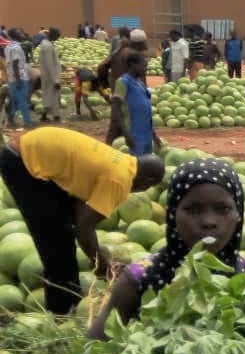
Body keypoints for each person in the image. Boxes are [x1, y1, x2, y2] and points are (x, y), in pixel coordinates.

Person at [0, 128, 164, 314]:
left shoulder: (123, 162)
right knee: (56, 244)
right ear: (146, 182)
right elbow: (84, 228)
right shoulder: (120, 180)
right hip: (22, 162)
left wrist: (98, 256)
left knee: (63, 230)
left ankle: (71, 299)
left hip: (27, 149)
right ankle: (62, 312)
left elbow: (79, 210)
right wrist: (101, 265)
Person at [88, 158, 245, 340]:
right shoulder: (140, 279)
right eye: (194, 209)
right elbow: (95, 348)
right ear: (172, 213)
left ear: (238, 213)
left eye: (222, 209)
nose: (209, 221)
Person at [112, 51, 162, 156]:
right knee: (137, 164)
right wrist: (126, 134)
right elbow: (116, 109)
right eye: (143, 66)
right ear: (132, 65)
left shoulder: (140, 83)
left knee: (146, 163)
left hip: (146, 133)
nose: (145, 69)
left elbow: (146, 113)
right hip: (134, 132)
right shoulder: (123, 82)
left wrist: (154, 135)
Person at [4, 31, 32, 128]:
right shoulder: (16, 48)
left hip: (12, 78)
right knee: (23, 101)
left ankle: (10, 121)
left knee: (15, 101)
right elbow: (15, 64)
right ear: (16, 35)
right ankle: (28, 122)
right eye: (20, 34)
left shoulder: (8, 47)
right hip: (19, 77)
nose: (23, 35)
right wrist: (18, 80)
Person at [38, 27, 62, 123]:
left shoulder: (46, 44)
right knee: (53, 96)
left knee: (49, 96)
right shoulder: (47, 46)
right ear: (52, 34)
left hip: (49, 75)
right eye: (56, 36)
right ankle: (56, 117)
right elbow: (49, 64)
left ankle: (45, 116)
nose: (57, 38)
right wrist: (55, 79)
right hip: (51, 76)